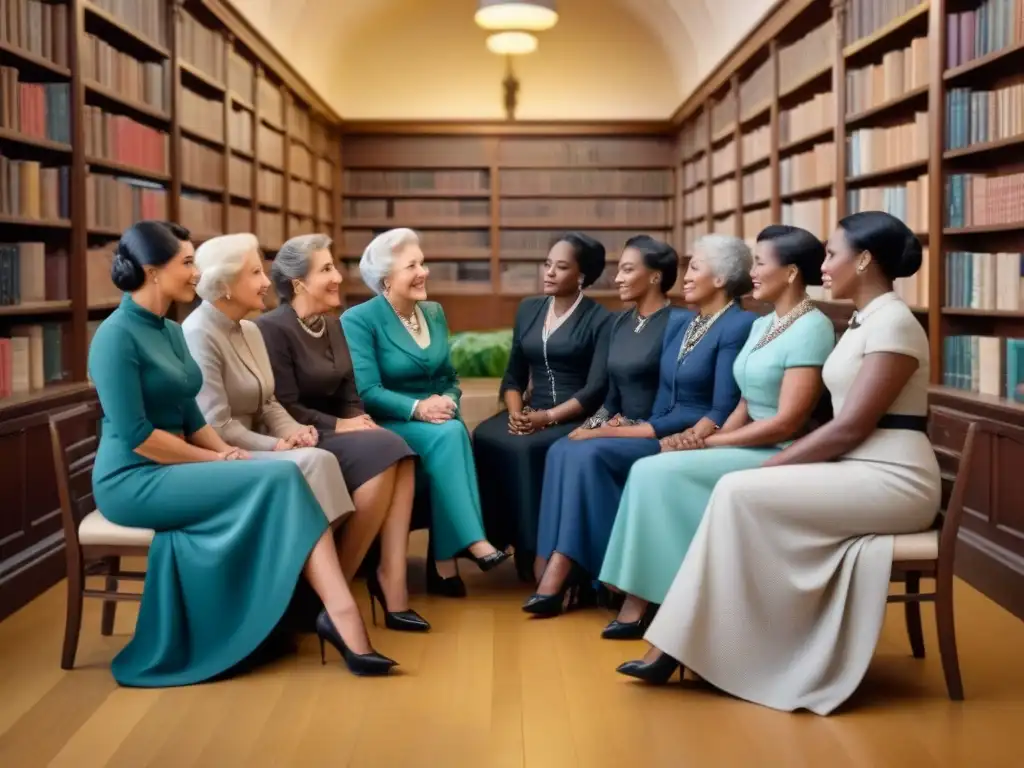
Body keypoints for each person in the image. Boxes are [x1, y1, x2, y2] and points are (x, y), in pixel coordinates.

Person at [618, 212, 941, 717]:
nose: (824, 265)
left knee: (738, 489)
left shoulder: (895, 322)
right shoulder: (864, 319)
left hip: (894, 479)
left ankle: (704, 645)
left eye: (832, 254)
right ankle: (705, 643)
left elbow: (851, 426)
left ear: (864, 260)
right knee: (733, 491)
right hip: (858, 468)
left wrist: (775, 465)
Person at [88, 221, 396, 685]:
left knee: (285, 476)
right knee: (281, 477)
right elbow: (139, 437)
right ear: (152, 272)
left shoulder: (170, 332)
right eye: (187, 262)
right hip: (133, 478)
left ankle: (331, 613)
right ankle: (330, 613)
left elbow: (192, 417)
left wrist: (223, 451)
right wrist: (217, 460)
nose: (197, 272)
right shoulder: (115, 337)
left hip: (179, 465)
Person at [599, 225, 835, 639]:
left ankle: (652, 600)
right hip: (745, 440)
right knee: (657, 463)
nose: (753, 272)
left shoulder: (813, 326)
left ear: (793, 272)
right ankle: (652, 594)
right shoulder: (764, 324)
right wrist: (702, 442)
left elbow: (787, 422)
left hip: (780, 449)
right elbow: (744, 402)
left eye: (761, 263)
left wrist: (708, 441)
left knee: (655, 471)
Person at [523, 234, 757, 617]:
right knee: (564, 447)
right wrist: (598, 423)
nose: (687, 276)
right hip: (650, 423)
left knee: (589, 453)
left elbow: (717, 408)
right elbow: (619, 396)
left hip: (674, 434)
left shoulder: (707, 322)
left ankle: (569, 564)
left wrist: (609, 430)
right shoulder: (677, 324)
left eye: (695, 267)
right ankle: (555, 561)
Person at [255, 234, 427, 631]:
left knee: (398, 453)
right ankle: (338, 595)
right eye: (327, 269)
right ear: (299, 283)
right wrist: (342, 425)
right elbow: (283, 406)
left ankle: (387, 582)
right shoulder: (272, 329)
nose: (338, 277)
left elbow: (351, 392)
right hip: (300, 433)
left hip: (341, 431)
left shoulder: (332, 325)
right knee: (390, 448)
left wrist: (357, 419)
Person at [340, 228, 510, 597]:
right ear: (386, 278)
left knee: (453, 430)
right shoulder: (359, 319)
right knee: (451, 433)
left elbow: (449, 377)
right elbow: (367, 392)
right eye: (412, 265)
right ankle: (470, 543)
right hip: (388, 422)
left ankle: (446, 562)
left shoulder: (433, 312)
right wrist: (419, 408)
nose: (424, 272)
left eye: (423, 262)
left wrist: (447, 399)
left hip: (437, 418)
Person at [473, 232, 612, 582]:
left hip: (572, 416)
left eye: (560, 266)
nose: (548, 272)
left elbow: (596, 390)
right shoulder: (529, 308)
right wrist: (517, 412)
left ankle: (536, 549)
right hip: (530, 412)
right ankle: (503, 540)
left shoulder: (601, 319)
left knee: (528, 449)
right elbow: (513, 375)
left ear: (581, 276)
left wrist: (546, 418)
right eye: (547, 264)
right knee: (486, 435)